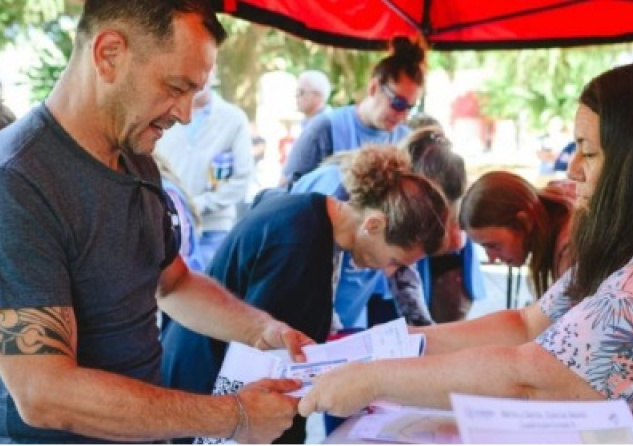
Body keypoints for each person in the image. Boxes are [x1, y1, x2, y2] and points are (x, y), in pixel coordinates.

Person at [299, 58, 633, 444]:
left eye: (588, 152)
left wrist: (376, 377)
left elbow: (533, 378)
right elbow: (527, 325)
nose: (573, 170)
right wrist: (394, 347)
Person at [0, 1, 314, 443]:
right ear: (109, 54)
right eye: (175, 86)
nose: (185, 113)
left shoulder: (136, 157)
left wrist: (262, 329)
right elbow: (43, 392)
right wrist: (235, 415)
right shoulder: (18, 181)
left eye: (194, 92)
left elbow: (173, 284)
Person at [161, 145, 448, 443]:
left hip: (194, 367)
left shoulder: (310, 212)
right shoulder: (301, 249)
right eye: (394, 261)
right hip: (204, 383)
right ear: (373, 225)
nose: (388, 272)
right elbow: (282, 372)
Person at [291, 127, 483, 329]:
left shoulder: (398, 207)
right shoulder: (335, 193)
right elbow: (315, 296)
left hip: (345, 314)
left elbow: (403, 271)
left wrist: (426, 332)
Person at [279, 35, 426, 186]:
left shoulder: (407, 142)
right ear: (374, 88)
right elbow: (284, 193)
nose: (403, 116)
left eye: (410, 107)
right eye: (398, 103)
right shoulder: (326, 129)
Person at [156, 70, 255, 266]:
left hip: (215, 228)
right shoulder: (163, 113)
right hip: (171, 223)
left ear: (213, 75)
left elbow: (243, 178)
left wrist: (201, 204)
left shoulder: (233, 119)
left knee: (209, 286)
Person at [459, 170, 573, 298]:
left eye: (493, 246)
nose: (491, 258)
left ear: (526, 222)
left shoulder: (570, 252)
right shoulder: (553, 209)